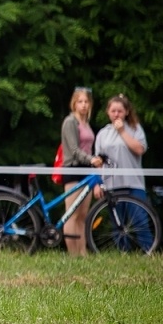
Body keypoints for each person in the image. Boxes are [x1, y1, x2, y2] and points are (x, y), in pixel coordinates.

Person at [94, 94, 152, 251]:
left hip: (133, 184)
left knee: (140, 221)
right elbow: (98, 161)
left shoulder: (135, 129)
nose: (116, 114)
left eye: (120, 111)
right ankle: (123, 255)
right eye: (113, 111)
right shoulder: (103, 133)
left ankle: (149, 251)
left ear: (126, 112)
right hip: (112, 185)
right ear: (108, 112)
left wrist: (122, 132)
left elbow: (140, 149)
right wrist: (98, 183)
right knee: (118, 225)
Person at [59, 87, 100, 256]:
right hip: (73, 168)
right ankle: (72, 253)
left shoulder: (86, 123)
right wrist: (91, 159)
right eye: (80, 102)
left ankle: (83, 252)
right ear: (74, 104)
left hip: (86, 169)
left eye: (86, 102)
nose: (83, 105)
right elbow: (74, 149)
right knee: (72, 213)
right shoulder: (70, 122)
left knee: (83, 214)